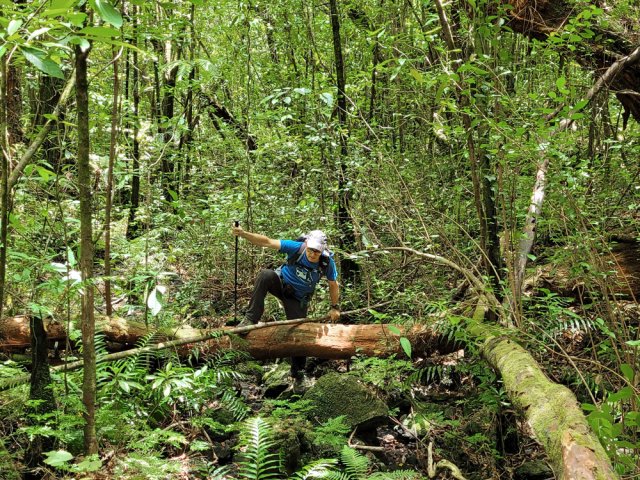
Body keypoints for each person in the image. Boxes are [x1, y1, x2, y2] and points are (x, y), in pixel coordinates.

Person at [231, 225, 340, 380]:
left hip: (297, 299)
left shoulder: (327, 263)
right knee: (265, 275)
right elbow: (267, 242)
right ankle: (250, 319)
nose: (312, 254)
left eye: (316, 251)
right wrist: (243, 234)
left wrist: (335, 307)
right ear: (306, 244)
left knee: (299, 332)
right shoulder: (297, 248)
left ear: (322, 250)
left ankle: (298, 373)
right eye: (310, 249)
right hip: (280, 284)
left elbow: (333, 284)